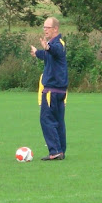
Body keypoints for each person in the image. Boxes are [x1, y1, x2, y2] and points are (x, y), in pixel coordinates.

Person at [31, 17, 68, 161]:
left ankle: (55, 151)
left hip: (52, 90)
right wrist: (38, 53)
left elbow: (54, 51)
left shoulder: (57, 44)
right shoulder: (53, 45)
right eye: (44, 27)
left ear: (55, 29)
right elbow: (48, 55)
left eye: (47, 27)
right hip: (59, 91)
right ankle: (60, 151)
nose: (45, 29)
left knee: (46, 120)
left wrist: (47, 48)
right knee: (58, 121)